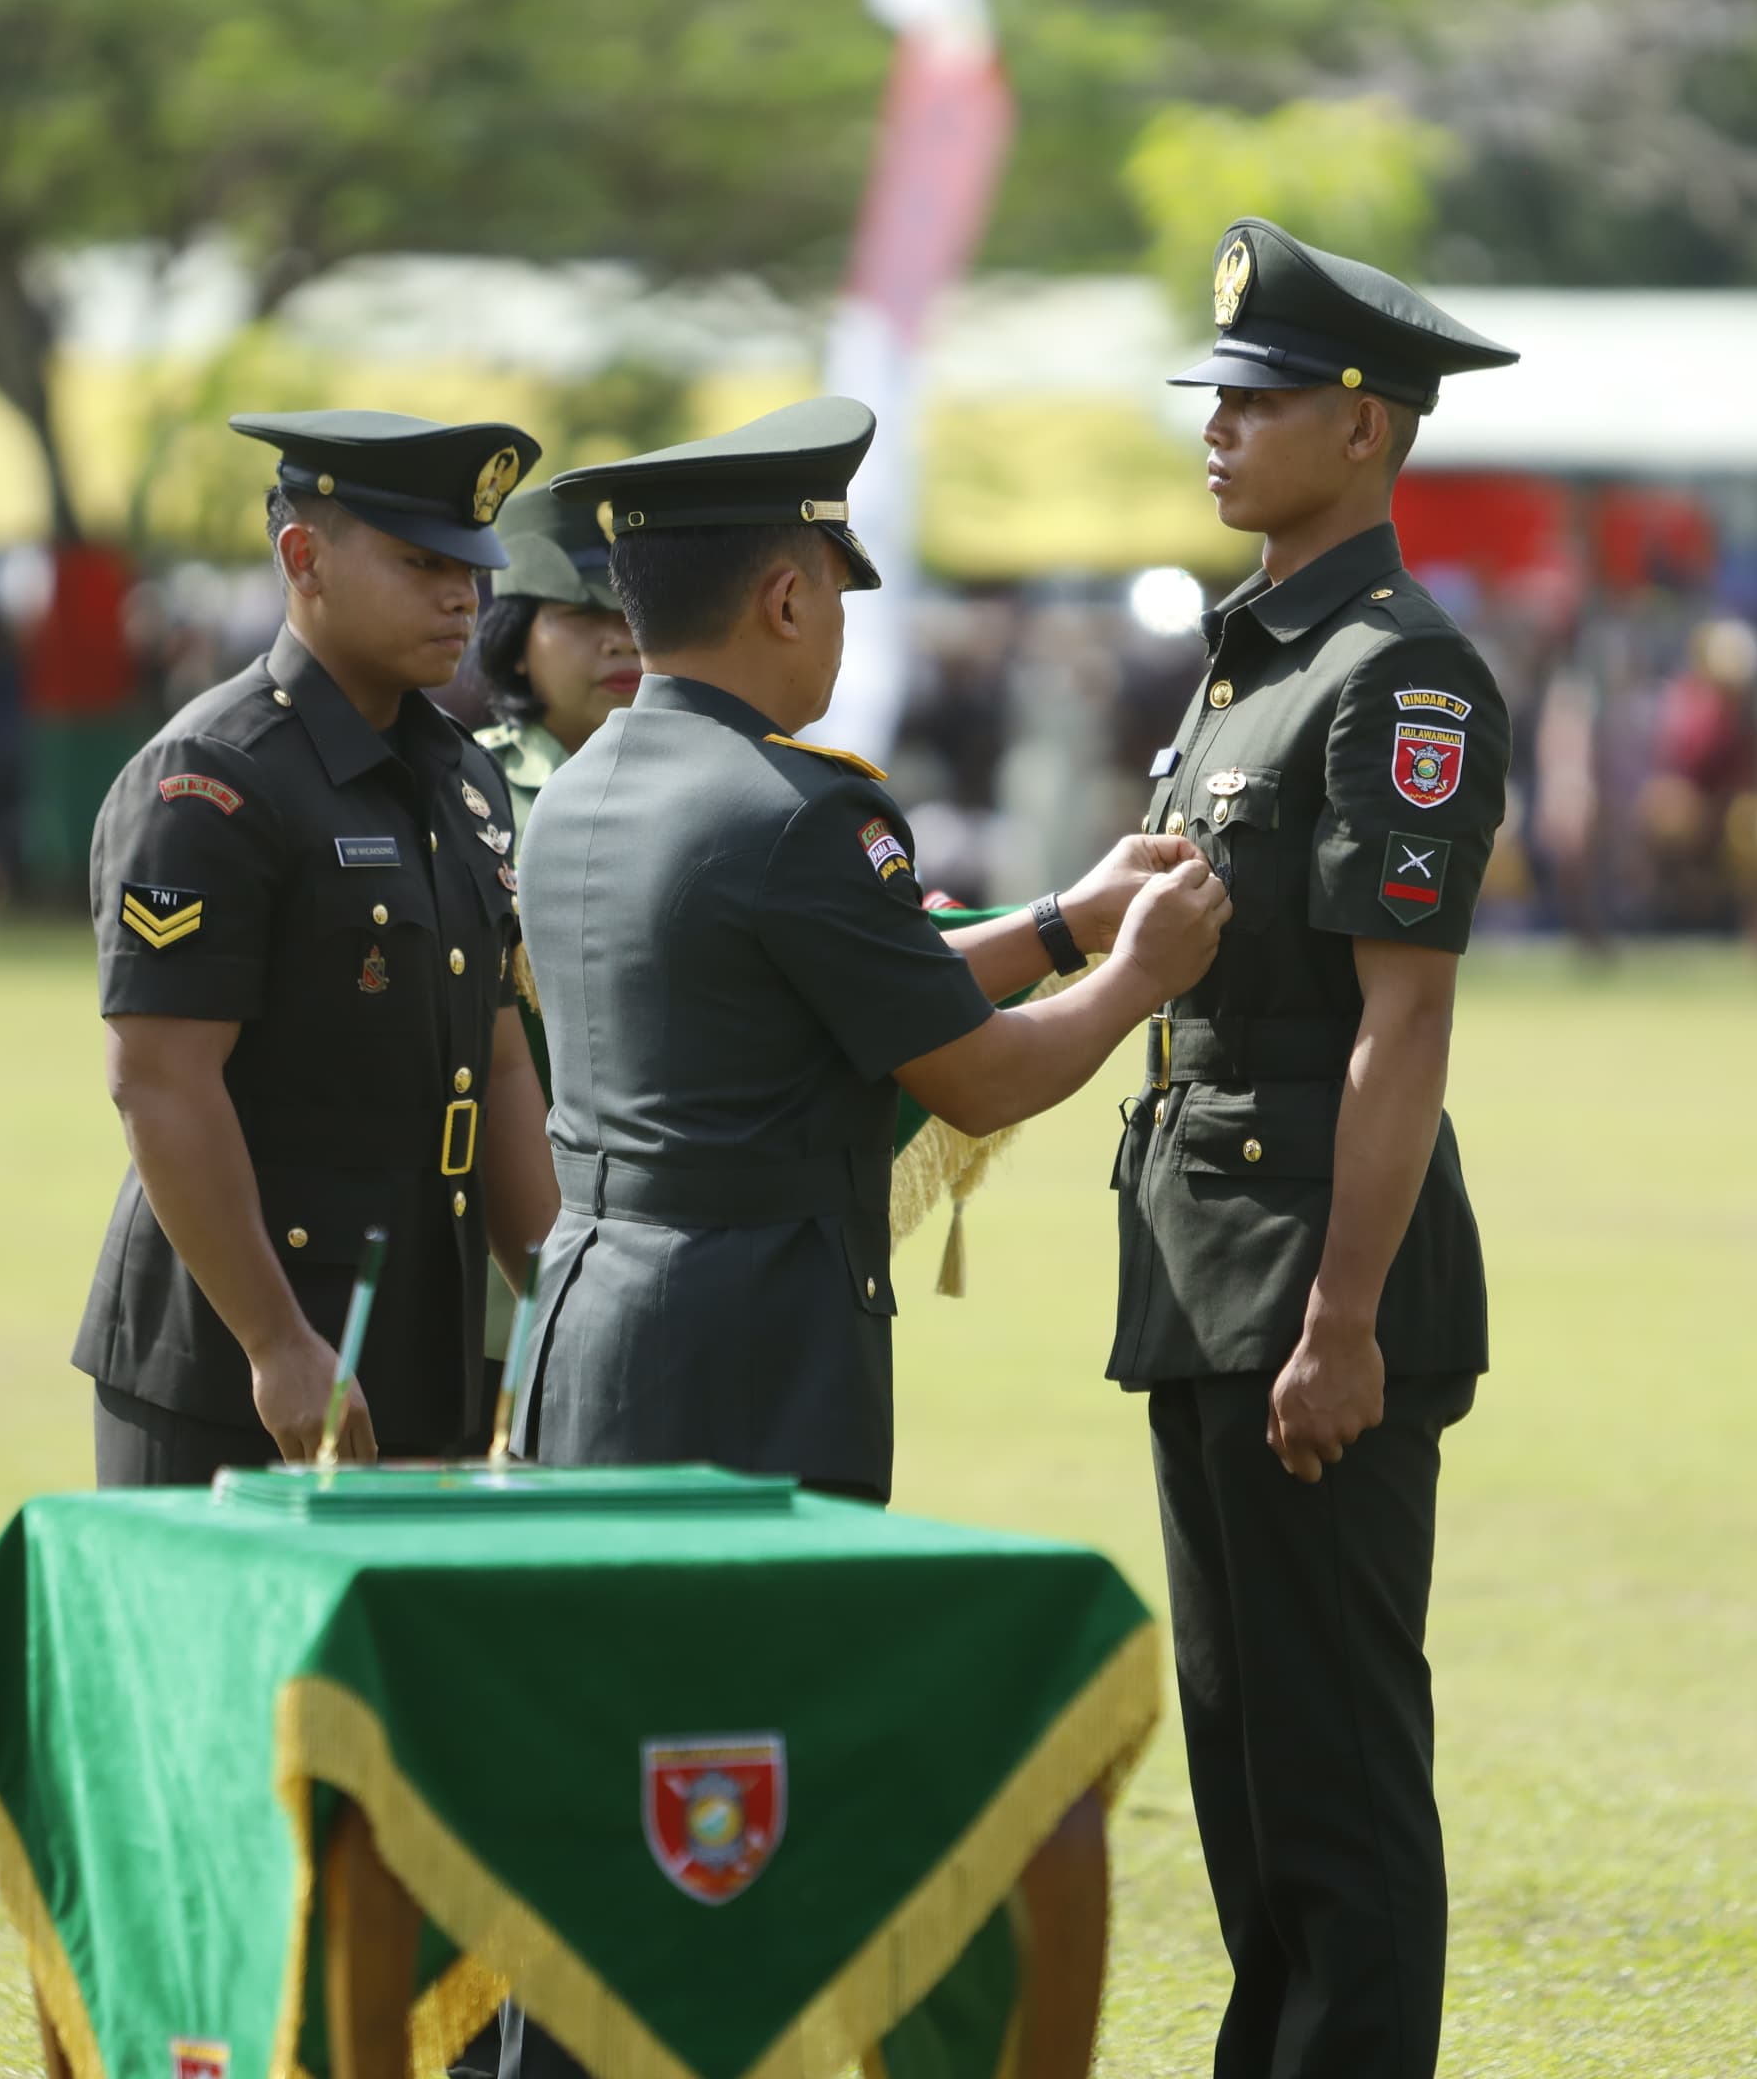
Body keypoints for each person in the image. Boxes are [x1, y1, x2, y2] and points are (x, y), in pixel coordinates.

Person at [506, 395, 1229, 1505]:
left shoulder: (571, 792)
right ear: (786, 598)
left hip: (581, 1328)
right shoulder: (799, 811)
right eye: (839, 593)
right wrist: (1140, 972)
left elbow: (828, 992)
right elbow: (981, 1076)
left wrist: (1064, 923)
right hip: (751, 1357)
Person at [1120, 218, 1517, 2079]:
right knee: (1242, 1748)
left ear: (1367, 427)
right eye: (1215, 395)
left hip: (1312, 1278)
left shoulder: (1399, 679)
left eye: (1257, 399)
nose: (1217, 428)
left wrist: (1344, 1313)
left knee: (1338, 1768)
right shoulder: (1249, 661)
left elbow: (1405, 1017)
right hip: (1207, 1259)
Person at [74, 409, 558, 1487]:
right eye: (422, 564)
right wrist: (274, 1341)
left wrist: (560, 1297)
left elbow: (503, 1053)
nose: (462, 598)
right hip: (235, 1360)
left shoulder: (464, 781)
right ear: (304, 558)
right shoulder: (212, 778)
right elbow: (161, 1082)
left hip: (417, 1348)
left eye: (472, 567)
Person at [470, 479, 634, 1095]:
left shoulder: (715, 784)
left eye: (636, 614)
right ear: (515, 645)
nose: (621, 639)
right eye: (583, 615)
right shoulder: (463, 783)